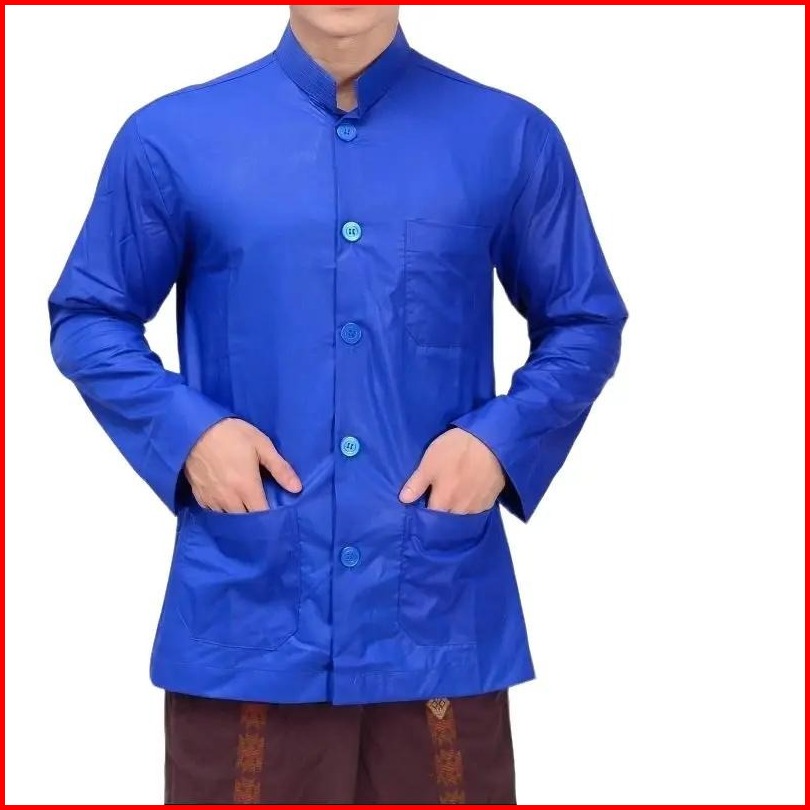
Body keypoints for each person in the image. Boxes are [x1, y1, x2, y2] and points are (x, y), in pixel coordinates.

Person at [48, 4, 628, 805]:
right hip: (249, 611)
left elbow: (584, 320)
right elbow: (90, 315)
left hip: (435, 611)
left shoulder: (508, 136)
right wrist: (190, 435)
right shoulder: (172, 138)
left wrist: (501, 443)